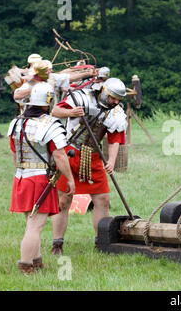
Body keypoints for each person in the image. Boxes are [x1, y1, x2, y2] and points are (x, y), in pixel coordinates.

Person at [50, 77, 128, 255]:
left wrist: (111, 161)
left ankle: (101, 242)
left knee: (102, 200)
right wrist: (72, 113)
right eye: (112, 98)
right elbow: (55, 111)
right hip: (70, 152)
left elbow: (115, 138)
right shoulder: (81, 97)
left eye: (118, 99)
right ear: (103, 91)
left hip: (93, 155)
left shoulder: (116, 112)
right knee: (63, 200)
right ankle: (57, 244)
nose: (115, 102)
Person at [7, 82, 75, 274]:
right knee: (35, 226)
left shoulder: (16, 122)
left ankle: (36, 260)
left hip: (21, 177)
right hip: (39, 180)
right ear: (49, 101)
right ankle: (26, 265)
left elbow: (14, 152)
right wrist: (69, 179)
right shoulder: (50, 124)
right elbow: (60, 155)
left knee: (31, 221)